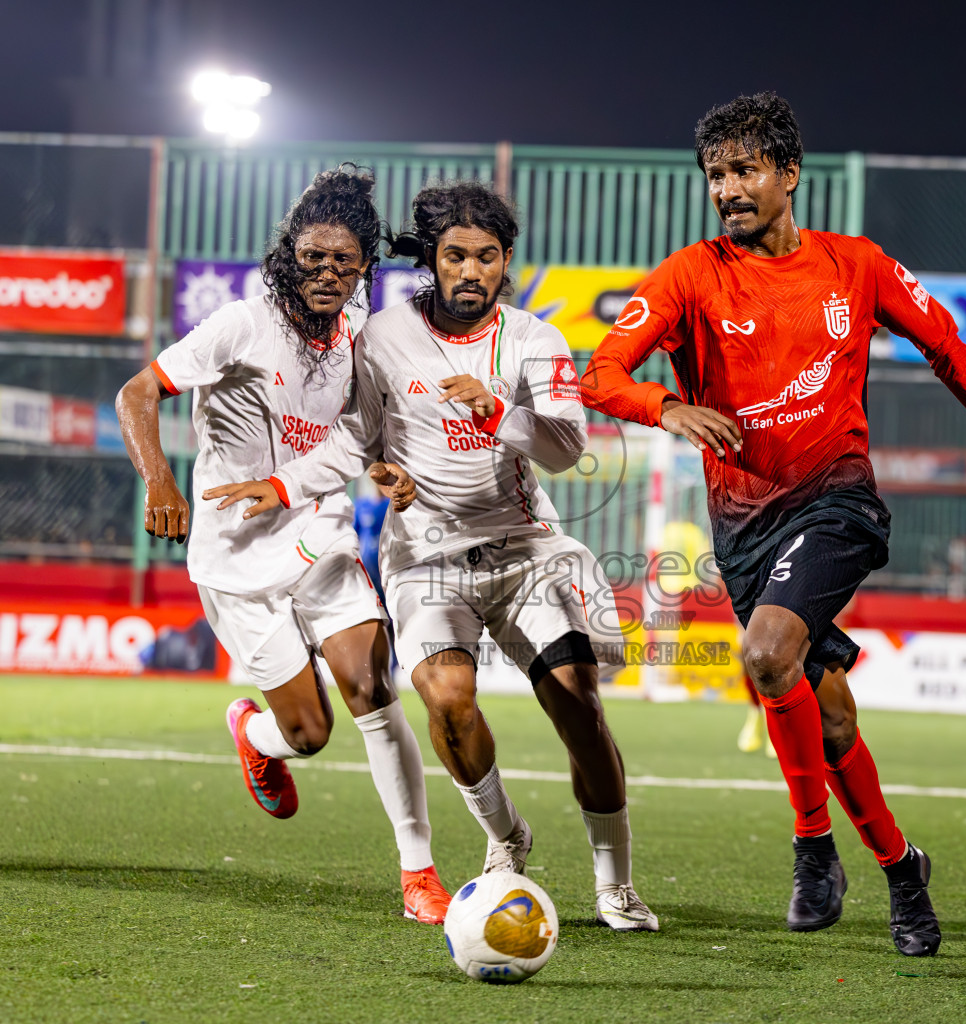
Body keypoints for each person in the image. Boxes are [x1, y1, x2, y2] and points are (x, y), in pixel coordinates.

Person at [581, 93, 966, 957]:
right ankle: (905, 871)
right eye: (716, 175)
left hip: (838, 503)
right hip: (745, 529)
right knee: (828, 718)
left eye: (746, 169)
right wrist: (663, 406)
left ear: (790, 175)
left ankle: (811, 846)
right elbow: (600, 374)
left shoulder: (855, 265)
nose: (729, 188)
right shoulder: (689, 276)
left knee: (762, 656)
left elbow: (946, 343)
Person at [210, 181, 659, 932]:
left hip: (527, 549)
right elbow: (356, 437)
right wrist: (320, 479)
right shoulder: (381, 338)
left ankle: (615, 885)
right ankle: (505, 837)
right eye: (455, 256)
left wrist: (498, 410)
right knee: (448, 699)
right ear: (435, 261)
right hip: (425, 553)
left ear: (506, 261)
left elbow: (568, 446)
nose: (470, 270)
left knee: (579, 702)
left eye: (486, 256)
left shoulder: (536, 340)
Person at [116, 166, 453, 925]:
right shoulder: (242, 324)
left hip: (318, 533)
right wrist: (159, 482)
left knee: (372, 688)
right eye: (313, 258)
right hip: (235, 557)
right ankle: (255, 733)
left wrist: (389, 471)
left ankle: (419, 875)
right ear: (287, 257)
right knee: (309, 732)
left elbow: (358, 439)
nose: (328, 272)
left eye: (345, 260)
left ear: (366, 266)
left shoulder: (358, 340)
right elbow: (135, 394)